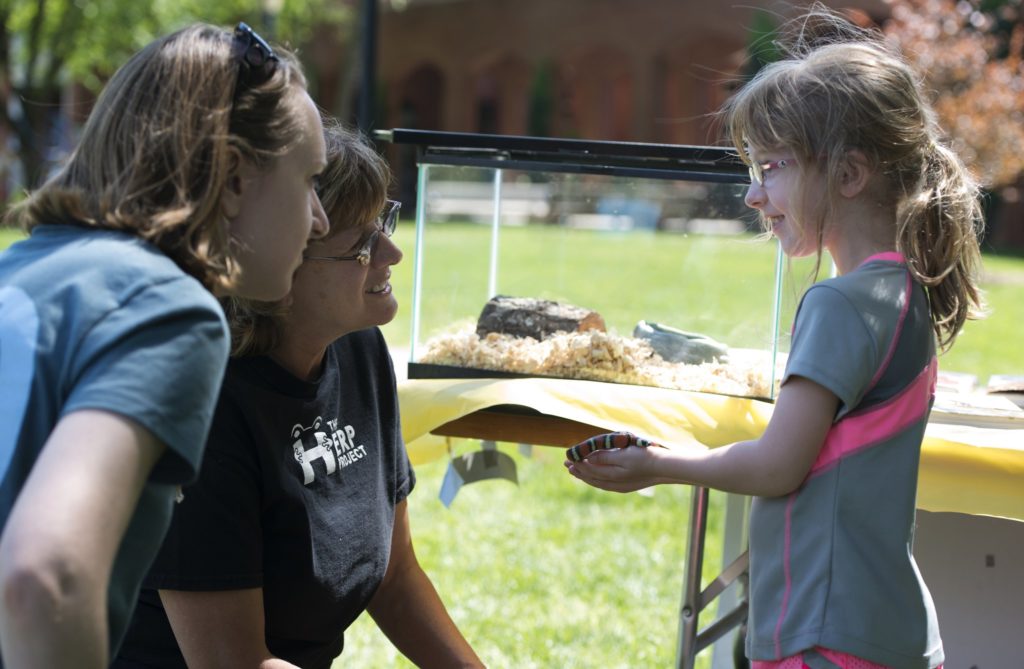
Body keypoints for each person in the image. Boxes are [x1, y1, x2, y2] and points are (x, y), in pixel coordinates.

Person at [564, 8, 984, 669]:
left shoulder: (841, 303)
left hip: (826, 634)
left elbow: (776, 466)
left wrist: (658, 463)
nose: (754, 196)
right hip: (886, 628)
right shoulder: (902, 292)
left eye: (772, 167)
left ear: (849, 174)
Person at [0, 22, 328, 667]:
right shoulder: (168, 308)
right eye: (309, 179)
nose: (318, 218)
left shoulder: (26, 270)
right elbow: (46, 575)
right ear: (234, 177)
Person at [114, 123, 483, 669]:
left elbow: (395, 576)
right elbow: (235, 663)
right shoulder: (203, 405)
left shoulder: (359, 349)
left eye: (383, 220)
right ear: (276, 264)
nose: (392, 251)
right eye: (361, 243)